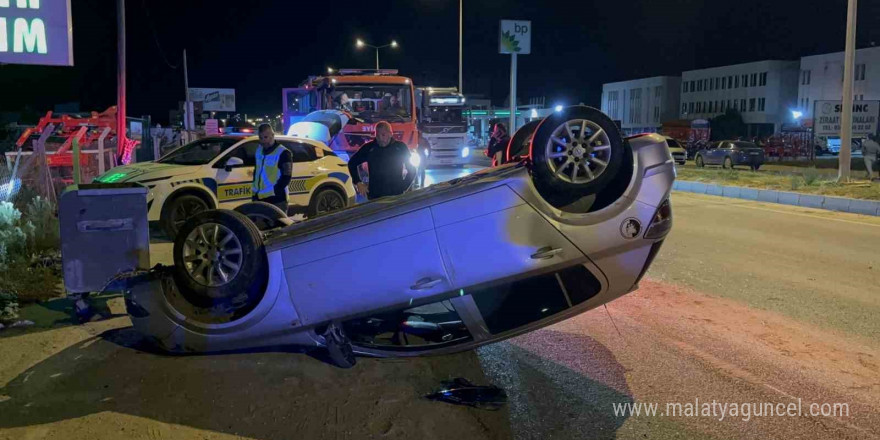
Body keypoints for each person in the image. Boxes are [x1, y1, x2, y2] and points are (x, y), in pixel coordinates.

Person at [348, 121, 416, 200]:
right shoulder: (369, 148)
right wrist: (358, 182)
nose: (380, 139)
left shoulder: (400, 148)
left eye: (383, 135)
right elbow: (352, 163)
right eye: (377, 136)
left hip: (395, 195)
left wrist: (403, 187)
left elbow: (412, 169)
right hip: (375, 195)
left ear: (390, 134)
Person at [252, 124, 293, 213]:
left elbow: (286, 177)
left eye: (266, 137)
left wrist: (275, 191)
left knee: (279, 226)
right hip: (259, 198)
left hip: (277, 200)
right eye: (261, 138)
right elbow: (257, 172)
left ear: (273, 135)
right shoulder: (259, 150)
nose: (263, 141)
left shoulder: (283, 153)